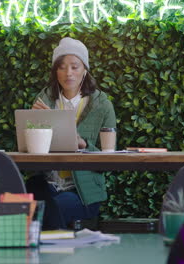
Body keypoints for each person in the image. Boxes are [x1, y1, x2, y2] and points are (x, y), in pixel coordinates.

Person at [26, 37, 116, 230]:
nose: (68, 73)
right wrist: (35, 128)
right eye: (62, 67)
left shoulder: (102, 105)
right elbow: (29, 148)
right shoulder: (44, 100)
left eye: (75, 67)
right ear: (55, 71)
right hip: (48, 184)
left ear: (85, 70)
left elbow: (109, 158)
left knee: (45, 209)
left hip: (83, 192)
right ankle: (59, 248)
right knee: (28, 199)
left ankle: (54, 252)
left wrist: (84, 144)